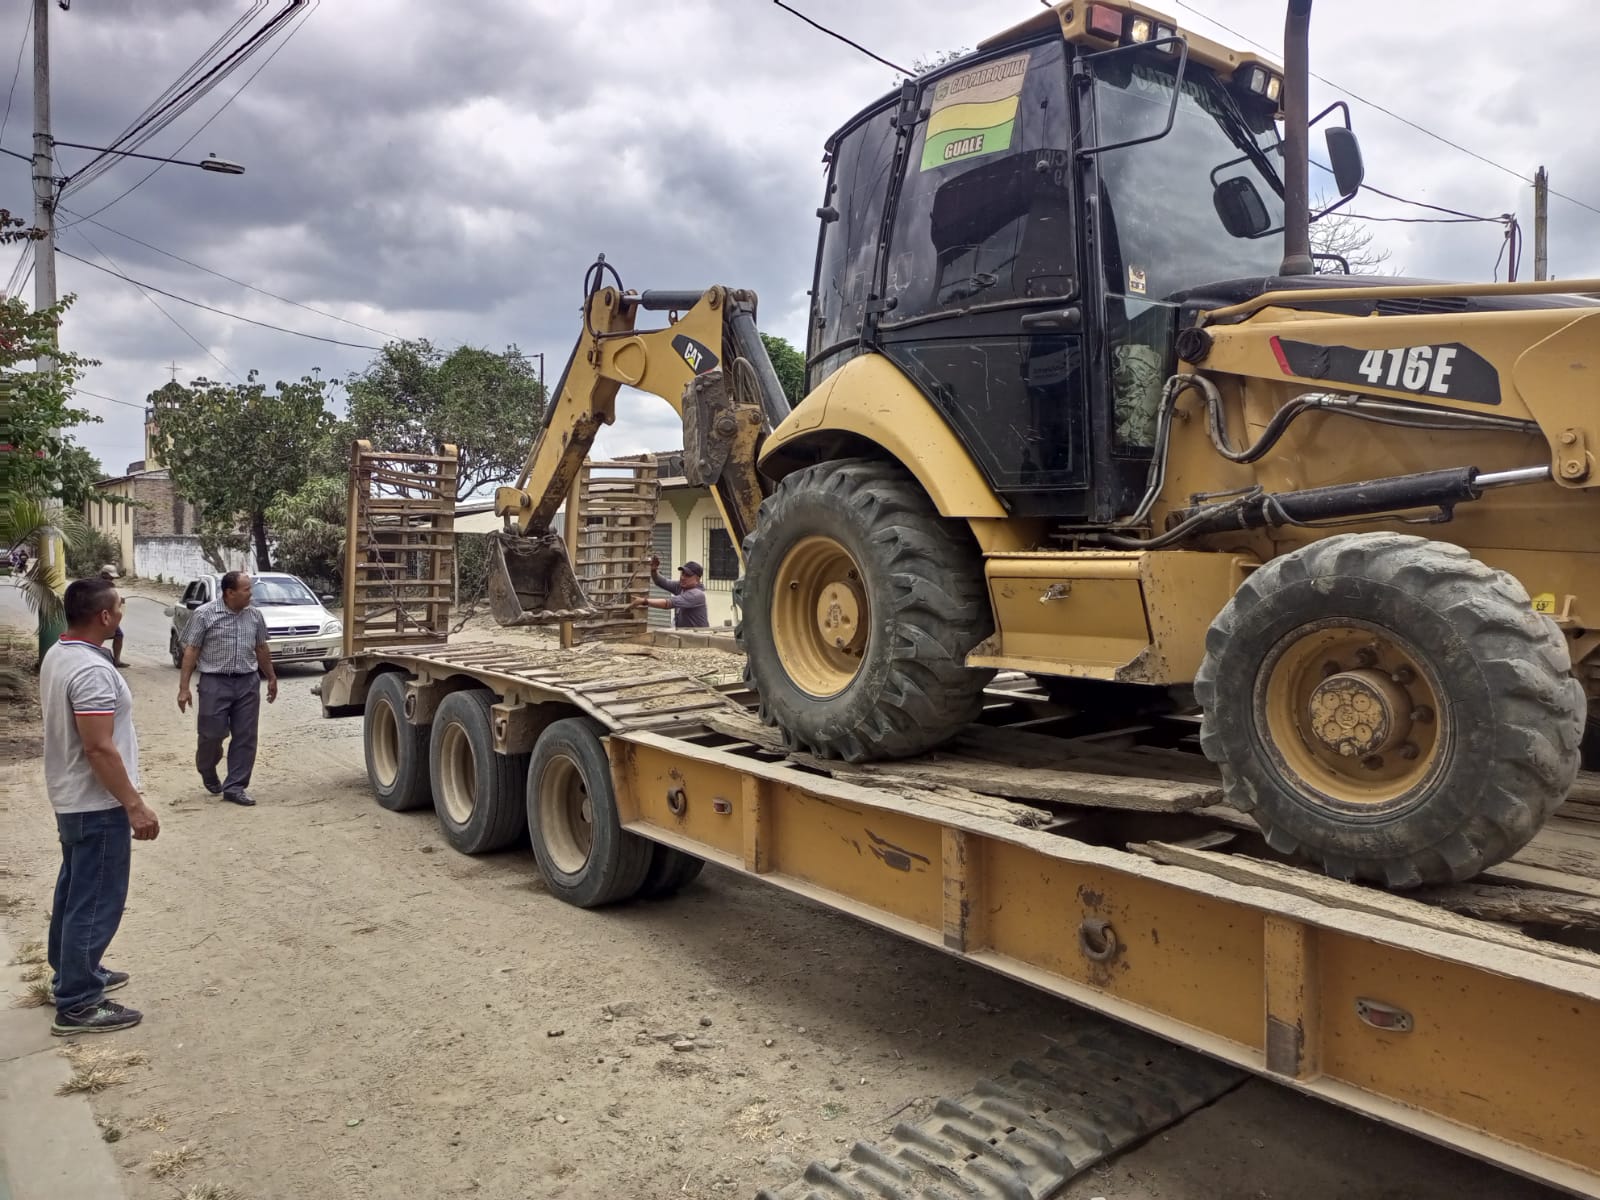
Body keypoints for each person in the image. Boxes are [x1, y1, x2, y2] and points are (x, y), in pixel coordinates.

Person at [39, 575, 161, 1036]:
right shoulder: (90, 670)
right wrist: (134, 804)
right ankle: (78, 1002)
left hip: (73, 797)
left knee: (75, 890)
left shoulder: (62, 652)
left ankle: (74, 973)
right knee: (95, 900)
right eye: (120, 606)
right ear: (105, 616)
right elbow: (98, 747)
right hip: (95, 802)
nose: (123, 612)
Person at [176, 570, 277, 807]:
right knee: (211, 734)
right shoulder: (204, 614)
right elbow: (191, 650)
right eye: (246, 590)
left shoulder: (254, 615)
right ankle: (207, 767)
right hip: (214, 682)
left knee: (246, 735)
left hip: (247, 682)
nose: (251, 594)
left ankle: (235, 787)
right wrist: (184, 688)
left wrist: (271, 677)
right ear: (230, 592)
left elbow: (261, 648)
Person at [633, 556, 709, 628]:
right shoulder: (681, 586)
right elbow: (661, 582)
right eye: (683, 573)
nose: (683, 577)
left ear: (697, 579)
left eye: (688, 575)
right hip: (684, 632)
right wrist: (654, 570)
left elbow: (668, 604)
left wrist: (644, 601)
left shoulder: (696, 594)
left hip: (698, 635)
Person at [98, 566, 128, 667]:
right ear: (103, 575)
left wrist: (118, 600)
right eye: (109, 578)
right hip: (96, 615)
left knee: (119, 635)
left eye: (112, 578)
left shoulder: (109, 586)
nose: (111, 580)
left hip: (107, 615)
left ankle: (117, 660)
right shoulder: (97, 586)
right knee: (96, 636)